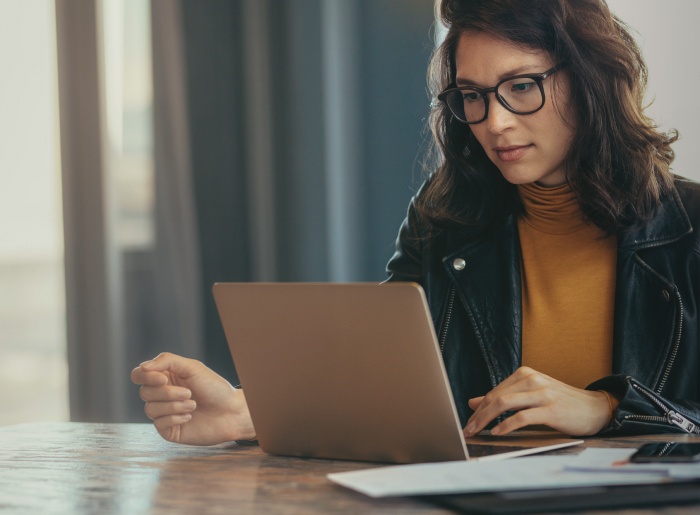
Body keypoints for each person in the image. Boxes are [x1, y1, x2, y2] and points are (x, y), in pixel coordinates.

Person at [132, 0, 700, 446]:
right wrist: (244, 410)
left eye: (522, 86)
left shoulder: (691, 228)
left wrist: (607, 409)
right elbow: (387, 387)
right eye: (473, 95)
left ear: (590, 78)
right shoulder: (445, 222)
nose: (495, 121)